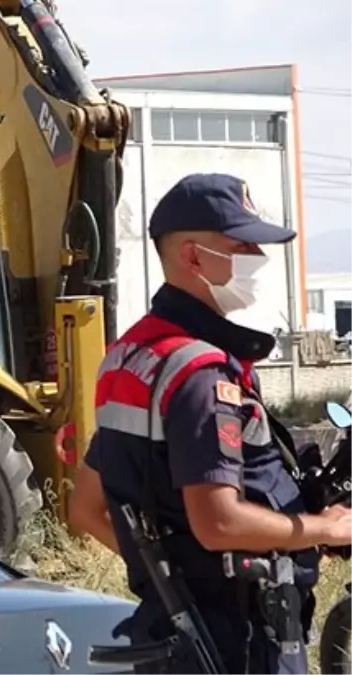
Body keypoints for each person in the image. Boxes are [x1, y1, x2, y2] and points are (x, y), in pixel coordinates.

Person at [67, 172, 352, 675]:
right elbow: (217, 521)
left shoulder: (129, 357)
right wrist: (317, 528)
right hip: (240, 643)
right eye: (242, 246)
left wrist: (171, 583)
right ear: (193, 257)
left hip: (175, 633)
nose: (258, 260)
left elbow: (86, 508)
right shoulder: (200, 373)